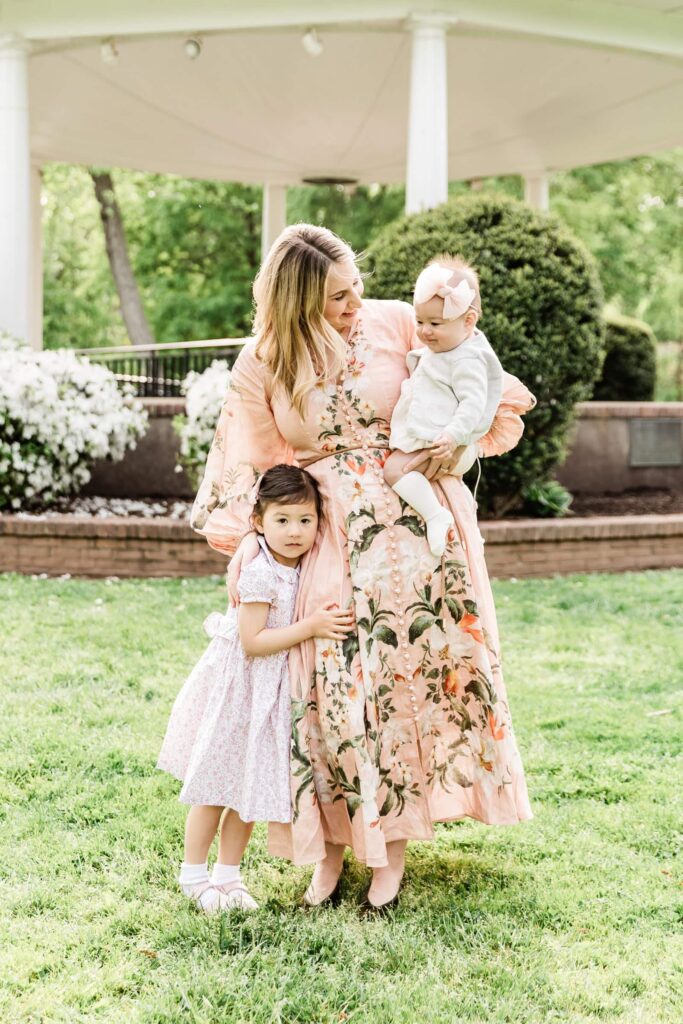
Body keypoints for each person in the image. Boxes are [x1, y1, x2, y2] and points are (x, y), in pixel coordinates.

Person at [191, 224, 536, 910]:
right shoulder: (263, 360)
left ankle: (393, 850)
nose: (354, 306)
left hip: (415, 535)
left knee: (402, 688)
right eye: (336, 299)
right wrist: (254, 553)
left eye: (354, 289)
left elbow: (478, 373)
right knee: (327, 694)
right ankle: (331, 847)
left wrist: (455, 444)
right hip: (325, 536)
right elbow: (252, 468)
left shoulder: (395, 320)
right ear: (295, 304)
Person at [158, 464, 354, 912]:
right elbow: (254, 642)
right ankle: (193, 875)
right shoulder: (262, 569)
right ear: (259, 522)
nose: (294, 531)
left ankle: (228, 875)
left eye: (305, 520)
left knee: (248, 787)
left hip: (265, 695)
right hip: (239, 689)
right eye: (281, 520)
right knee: (214, 786)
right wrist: (312, 626)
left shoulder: (300, 562)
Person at [384, 255, 504, 557]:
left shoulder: (466, 358)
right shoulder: (445, 348)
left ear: (468, 321)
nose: (425, 331)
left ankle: (436, 515)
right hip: (439, 440)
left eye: (435, 323)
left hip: (450, 443)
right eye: (420, 321)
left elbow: (473, 403)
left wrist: (453, 437)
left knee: (394, 470)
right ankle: (450, 519)